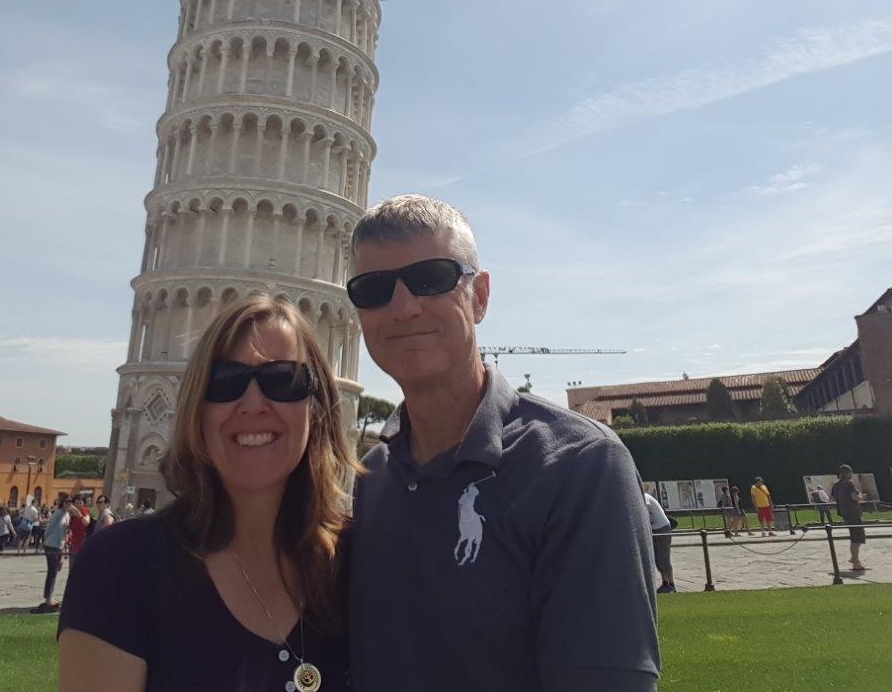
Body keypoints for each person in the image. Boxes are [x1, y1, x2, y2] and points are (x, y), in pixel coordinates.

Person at [346, 195, 659, 691]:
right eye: (373, 289)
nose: (403, 308)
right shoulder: (373, 477)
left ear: (480, 296)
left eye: (432, 278)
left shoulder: (580, 465)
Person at [58, 295, 355, 691]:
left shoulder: (359, 567)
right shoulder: (120, 568)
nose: (252, 405)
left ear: (316, 407)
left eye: (283, 380)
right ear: (197, 410)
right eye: (225, 382)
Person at [36, 493, 72, 613]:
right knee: (52, 571)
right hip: (51, 545)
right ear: (62, 503)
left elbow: (65, 534)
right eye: (67, 502)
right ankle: (48, 599)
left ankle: (49, 597)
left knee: (55, 571)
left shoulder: (67, 515)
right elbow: (49, 528)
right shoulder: (58, 514)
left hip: (59, 546)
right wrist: (44, 541)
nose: (69, 504)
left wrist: (64, 550)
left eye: (71, 502)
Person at [829, 464, 867, 572]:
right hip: (853, 513)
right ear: (848, 473)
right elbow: (854, 497)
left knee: (854, 536)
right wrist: (861, 497)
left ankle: (854, 558)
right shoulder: (849, 484)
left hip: (845, 513)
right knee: (858, 537)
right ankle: (855, 561)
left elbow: (832, 498)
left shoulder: (836, 485)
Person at [644, 484, 676, 593]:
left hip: (661, 528)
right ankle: (665, 582)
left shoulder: (645, 497)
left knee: (663, 556)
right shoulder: (644, 497)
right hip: (655, 528)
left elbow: (645, 512)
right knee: (658, 557)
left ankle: (671, 584)